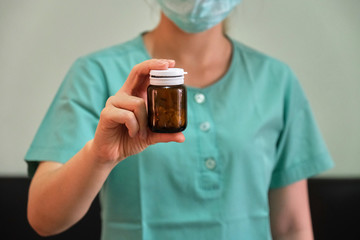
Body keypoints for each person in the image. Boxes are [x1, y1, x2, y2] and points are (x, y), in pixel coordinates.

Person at [25, 0, 333, 239]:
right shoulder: (95, 74)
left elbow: (291, 227)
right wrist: (99, 157)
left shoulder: (276, 81)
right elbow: (43, 218)